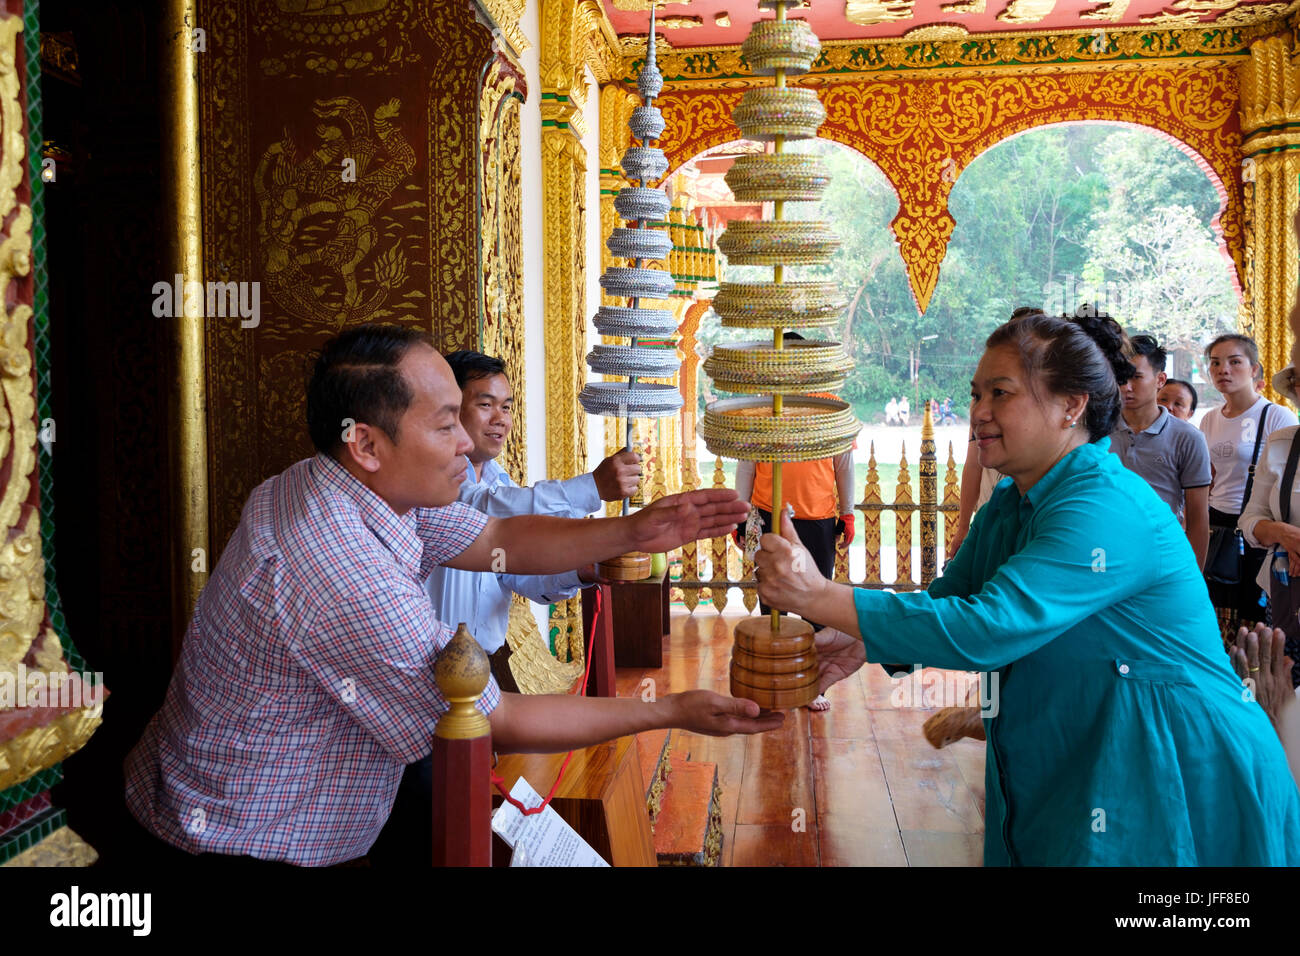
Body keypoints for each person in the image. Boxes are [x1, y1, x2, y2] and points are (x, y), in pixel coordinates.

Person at [124, 325, 781, 867]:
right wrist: (670, 711)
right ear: (367, 443)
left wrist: (640, 528)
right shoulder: (340, 571)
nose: (470, 442)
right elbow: (495, 720)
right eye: (446, 425)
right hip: (245, 842)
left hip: (250, 795)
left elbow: (499, 536)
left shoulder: (335, 481)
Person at [754, 311, 1300, 865]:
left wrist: (817, 595)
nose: (978, 413)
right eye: (975, 394)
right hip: (1076, 752)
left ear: (1072, 405)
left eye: (1000, 393)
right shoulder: (1010, 505)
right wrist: (865, 642)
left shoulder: (1104, 505)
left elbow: (991, 626)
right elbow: (952, 602)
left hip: (1173, 763)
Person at [429, 349, 640, 690]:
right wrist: (591, 487)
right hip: (431, 666)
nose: (500, 418)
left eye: (506, 406)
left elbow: (520, 577)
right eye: (486, 405)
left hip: (481, 668)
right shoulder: (435, 479)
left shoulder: (499, 481)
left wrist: (580, 570)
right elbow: (487, 509)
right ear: (450, 409)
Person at [1199, 334, 1297, 637]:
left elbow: (1286, 480)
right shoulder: (1210, 419)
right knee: (1217, 614)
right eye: (1215, 362)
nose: (1223, 370)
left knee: (1255, 616)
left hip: (1258, 530)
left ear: (1255, 369)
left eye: (1234, 362)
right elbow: (1211, 475)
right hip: (1219, 523)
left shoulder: (1275, 416)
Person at [1109, 333, 1210, 568]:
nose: (1126, 387)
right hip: (1106, 553)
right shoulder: (1097, 431)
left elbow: (1198, 518)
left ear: (1160, 379)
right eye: (1121, 378)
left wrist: (1194, 578)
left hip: (1162, 555)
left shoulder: (1188, 438)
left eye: (1136, 377)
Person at [1238, 363, 1300, 688]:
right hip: (1288, 596)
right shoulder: (1280, 443)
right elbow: (1250, 519)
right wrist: (1284, 534)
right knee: (1287, 694)